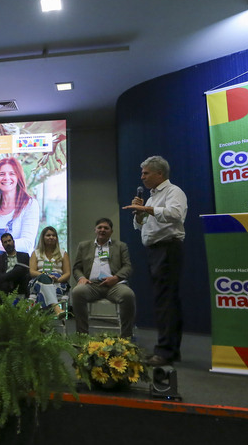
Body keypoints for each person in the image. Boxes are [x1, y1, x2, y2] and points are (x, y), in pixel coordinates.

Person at [122, 155, 187, 366]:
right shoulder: (151, 197)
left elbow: (176, 214)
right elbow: (143, 226)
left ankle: (166, 352)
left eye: (145, 173)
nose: (142, 177)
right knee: (162, 301)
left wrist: (146, 210)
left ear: (160, 174)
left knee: (166, 302)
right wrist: (139, 214)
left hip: (168, 249)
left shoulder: (173, 191)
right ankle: (168, 350)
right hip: (155, 251)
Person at [71, 218, 136, 338]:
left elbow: (127, 267)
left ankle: (126, 337)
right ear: (95, 230)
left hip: (115, 285)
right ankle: (82, 336)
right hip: (91, 285)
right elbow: (76, 268)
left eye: (106, 228)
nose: (102, 230)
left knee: (128, 295)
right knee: (77, 292)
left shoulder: (121, 246)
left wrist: (116, 278)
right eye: (100, 227)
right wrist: (81, 278)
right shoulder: (84, 246)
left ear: (111, 231)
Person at [0, 157, 40, 253]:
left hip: (19, 265)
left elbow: (27, 244)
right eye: (2, 174)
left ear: (18, 177)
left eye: (12, 174)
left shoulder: (30, 205)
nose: (6, 178)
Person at [28, 226, 71, 317]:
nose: (51, 237)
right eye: (48, 235)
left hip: (57, 283)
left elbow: (67, 273)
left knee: (42, 290)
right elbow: (32, 271)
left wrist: (57, 280)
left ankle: (41, 323)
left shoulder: (63, 253)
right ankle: (56, 308)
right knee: (43, 278)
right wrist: (46, 276)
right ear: (43, 237)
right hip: (38, 280)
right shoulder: (36, 253)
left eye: (53, 235)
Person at [0, 232, 30, 297]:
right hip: (7, 284)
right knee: (18, 269)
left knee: (20, 269)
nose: (8, 243)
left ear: (13, 241)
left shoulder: (24, 255)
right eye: (5, 242)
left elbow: (27, 271)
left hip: (21, 281)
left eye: (9, 241)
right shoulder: (0, 258)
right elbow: (0, 276)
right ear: (2, 245)